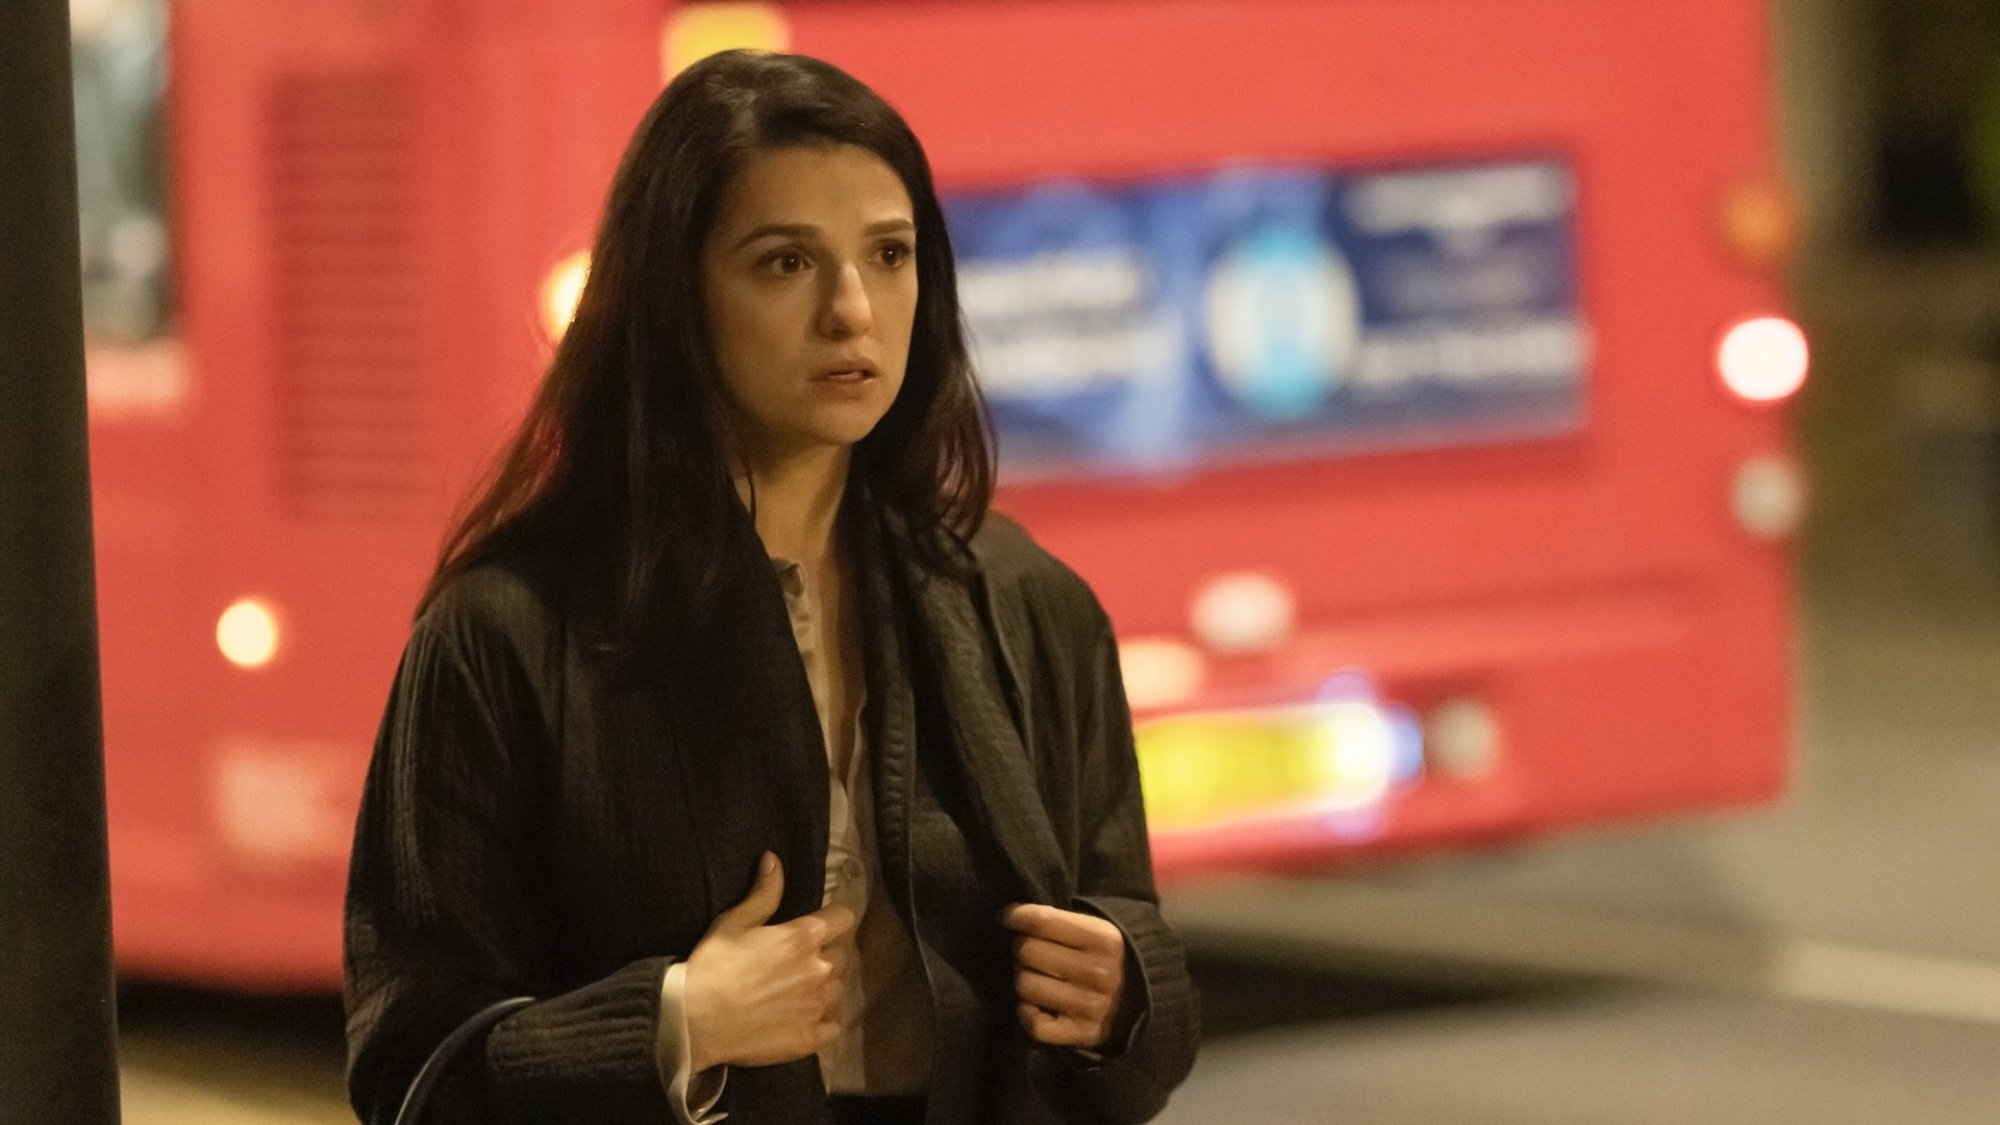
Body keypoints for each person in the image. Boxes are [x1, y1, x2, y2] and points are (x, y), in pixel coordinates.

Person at [342, 49, 1198, 1125]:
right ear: (672, 295)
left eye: (887, 256)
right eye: (785, 264)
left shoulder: (1026, 604)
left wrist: (1124, 991)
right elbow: (409, 1072)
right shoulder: (506, 634)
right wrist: (674, 1023)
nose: (852, 311)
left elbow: (1133, 947)